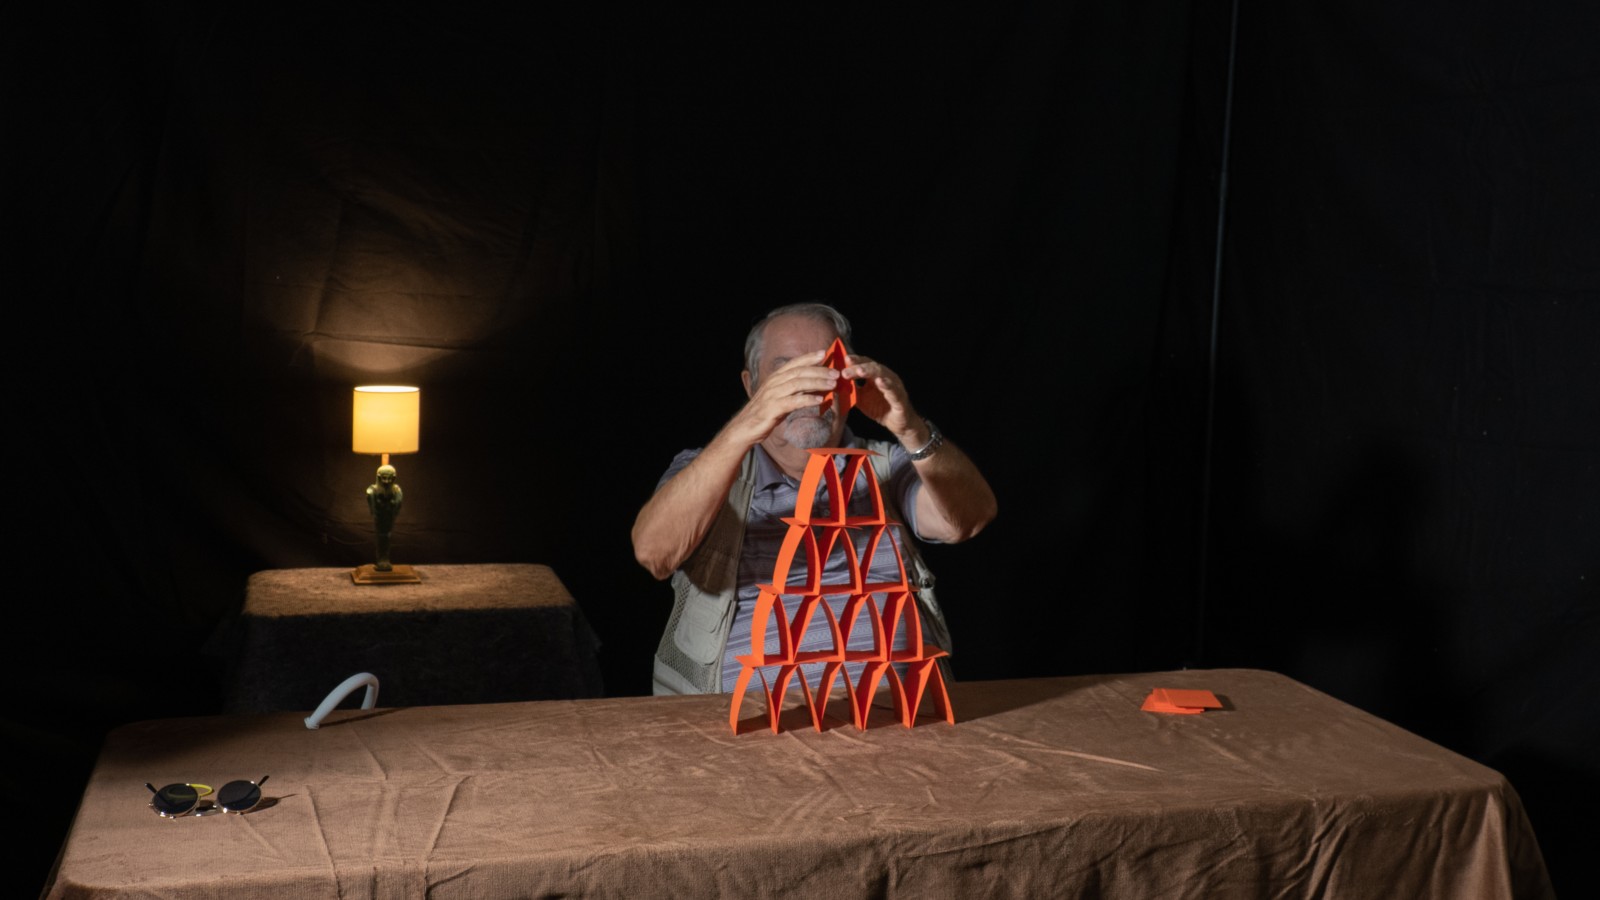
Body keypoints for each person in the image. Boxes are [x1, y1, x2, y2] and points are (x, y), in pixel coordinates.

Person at [633, 302, 997, 695]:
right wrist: (747, 425)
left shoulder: (885, 466)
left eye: (827, 370)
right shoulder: (709, 469)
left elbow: (968, 519)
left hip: (898, 711)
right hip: (750, 719)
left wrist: (911, 429)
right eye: (787, 371)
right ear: (752, 386)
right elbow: (654, 553)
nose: (810, 388)